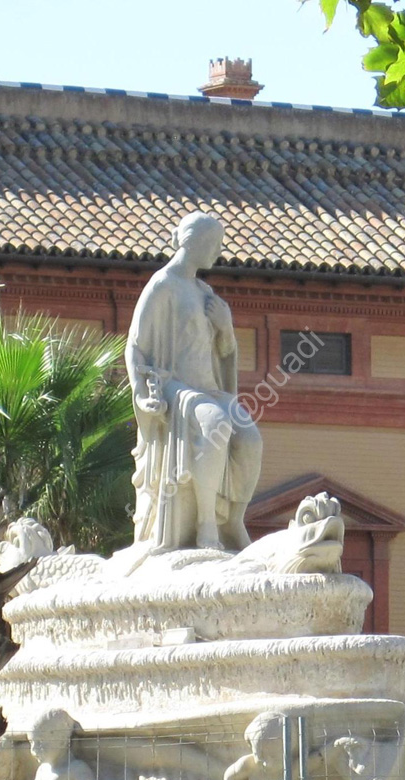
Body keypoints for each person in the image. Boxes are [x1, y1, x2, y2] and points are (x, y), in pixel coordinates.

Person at [125, 211, 262, 552]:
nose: (218, 252)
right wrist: (142, 394)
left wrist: (226, 326)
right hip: (174, 385)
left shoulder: (205, 291)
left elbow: (225, 351)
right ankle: (205, 527)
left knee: (249, 438)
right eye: (214, 244)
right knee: (215, 424)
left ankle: (232, 521)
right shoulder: (162, 284)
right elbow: (135, 346)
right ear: (194, 242)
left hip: (210, 388)